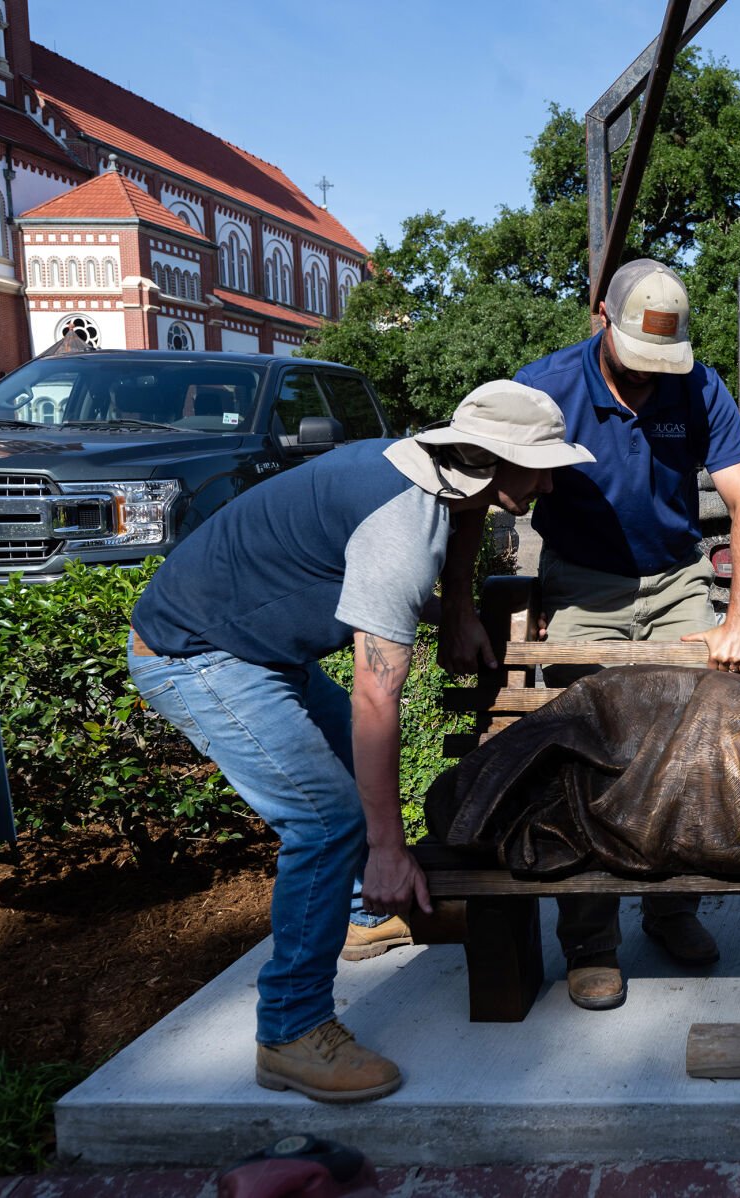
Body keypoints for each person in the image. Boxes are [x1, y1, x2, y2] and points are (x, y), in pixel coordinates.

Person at [128, 381, 591, 1103]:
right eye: (541, 463)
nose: (553, 478)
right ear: (493, 459)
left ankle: (367, 919)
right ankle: (290, 1032)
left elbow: (465, 523)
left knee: (345, 779)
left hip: (253, 646)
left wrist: (462, 609)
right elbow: (379, 697)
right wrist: (385, 846)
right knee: (327, 822)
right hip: (198, 655)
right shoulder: (399, 531)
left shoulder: (442, 475)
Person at [441, 258, 740, 1012]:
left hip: (677, 576)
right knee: (585, 753)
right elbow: (473, 496)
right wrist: (458, 607)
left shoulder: (700, 386)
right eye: (638, 356)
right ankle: (590, 941)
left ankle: (671, 908)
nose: (653, 374)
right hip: (583, 581)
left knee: (694, 741)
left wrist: (739, 617)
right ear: (602, 319)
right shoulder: (543, 387)